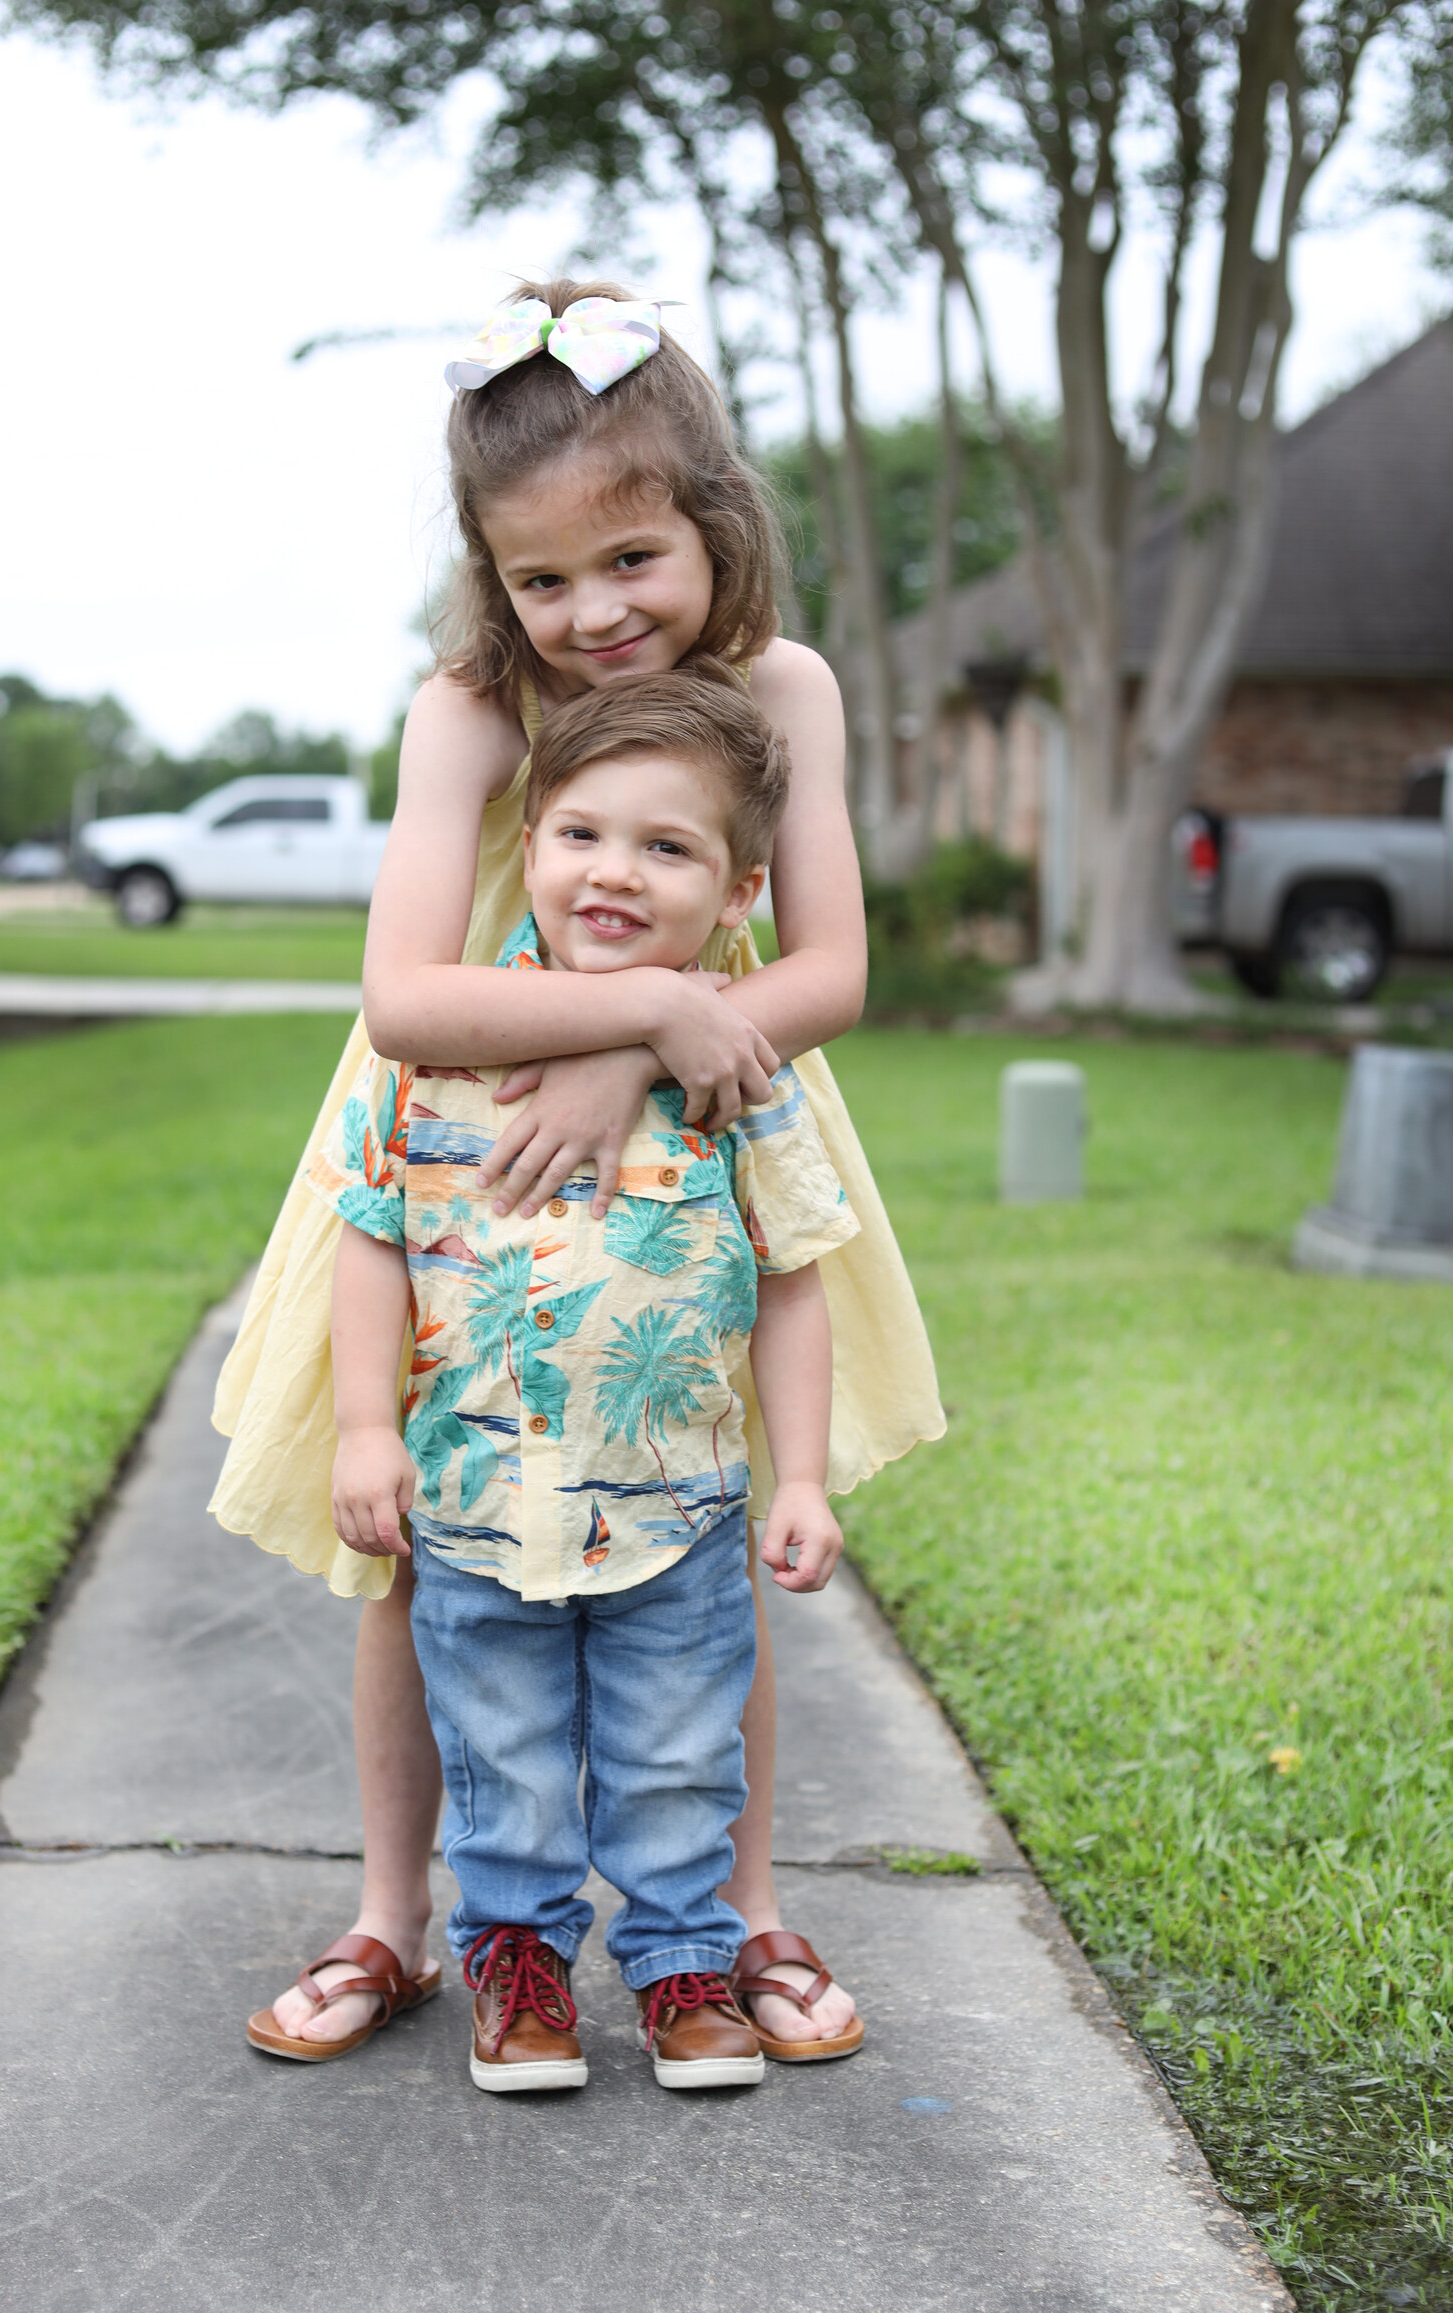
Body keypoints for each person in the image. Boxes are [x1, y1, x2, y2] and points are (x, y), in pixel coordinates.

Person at [219, 280, 944, 2064]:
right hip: (460, 1121)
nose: (593, 613)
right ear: (491, 577)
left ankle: (738, 1909)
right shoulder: (473, 706)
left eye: (631, 560)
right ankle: (402, 1915)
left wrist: (636, 1044)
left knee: (694, 1513)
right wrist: (626, 1016)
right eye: (543, 580)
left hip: (717, 1096)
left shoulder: (784, 686)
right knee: (411, 1529)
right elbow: (404, 991)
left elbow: (835, 966)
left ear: (714, 520)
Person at [251, 669, 859, 2088]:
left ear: (737, 889)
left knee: (675, 1751)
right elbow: (373, 1236)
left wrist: (810, 1471)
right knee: (504, 1757)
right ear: (528, 847)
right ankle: (514, 1971)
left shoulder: (735, 1070)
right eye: (581, 834)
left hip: (679, 1506)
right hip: (474, 1494)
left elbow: (795, 1271)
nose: (614, 873)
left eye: (668, 848)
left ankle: (683, 1964)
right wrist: (359, 1431)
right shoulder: (442, 1058)